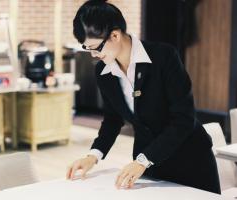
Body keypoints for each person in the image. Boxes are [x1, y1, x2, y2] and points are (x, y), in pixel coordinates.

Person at [66, 0, 221, 194]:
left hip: (189, 160)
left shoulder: (164, 57)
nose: (93, 55)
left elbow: (184, 119)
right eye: (87, 49)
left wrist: (143, 160)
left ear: (114, 35)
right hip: (150, 168)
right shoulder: (103, 71)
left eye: (95, 48)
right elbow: (112, 120)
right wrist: (93, 156)